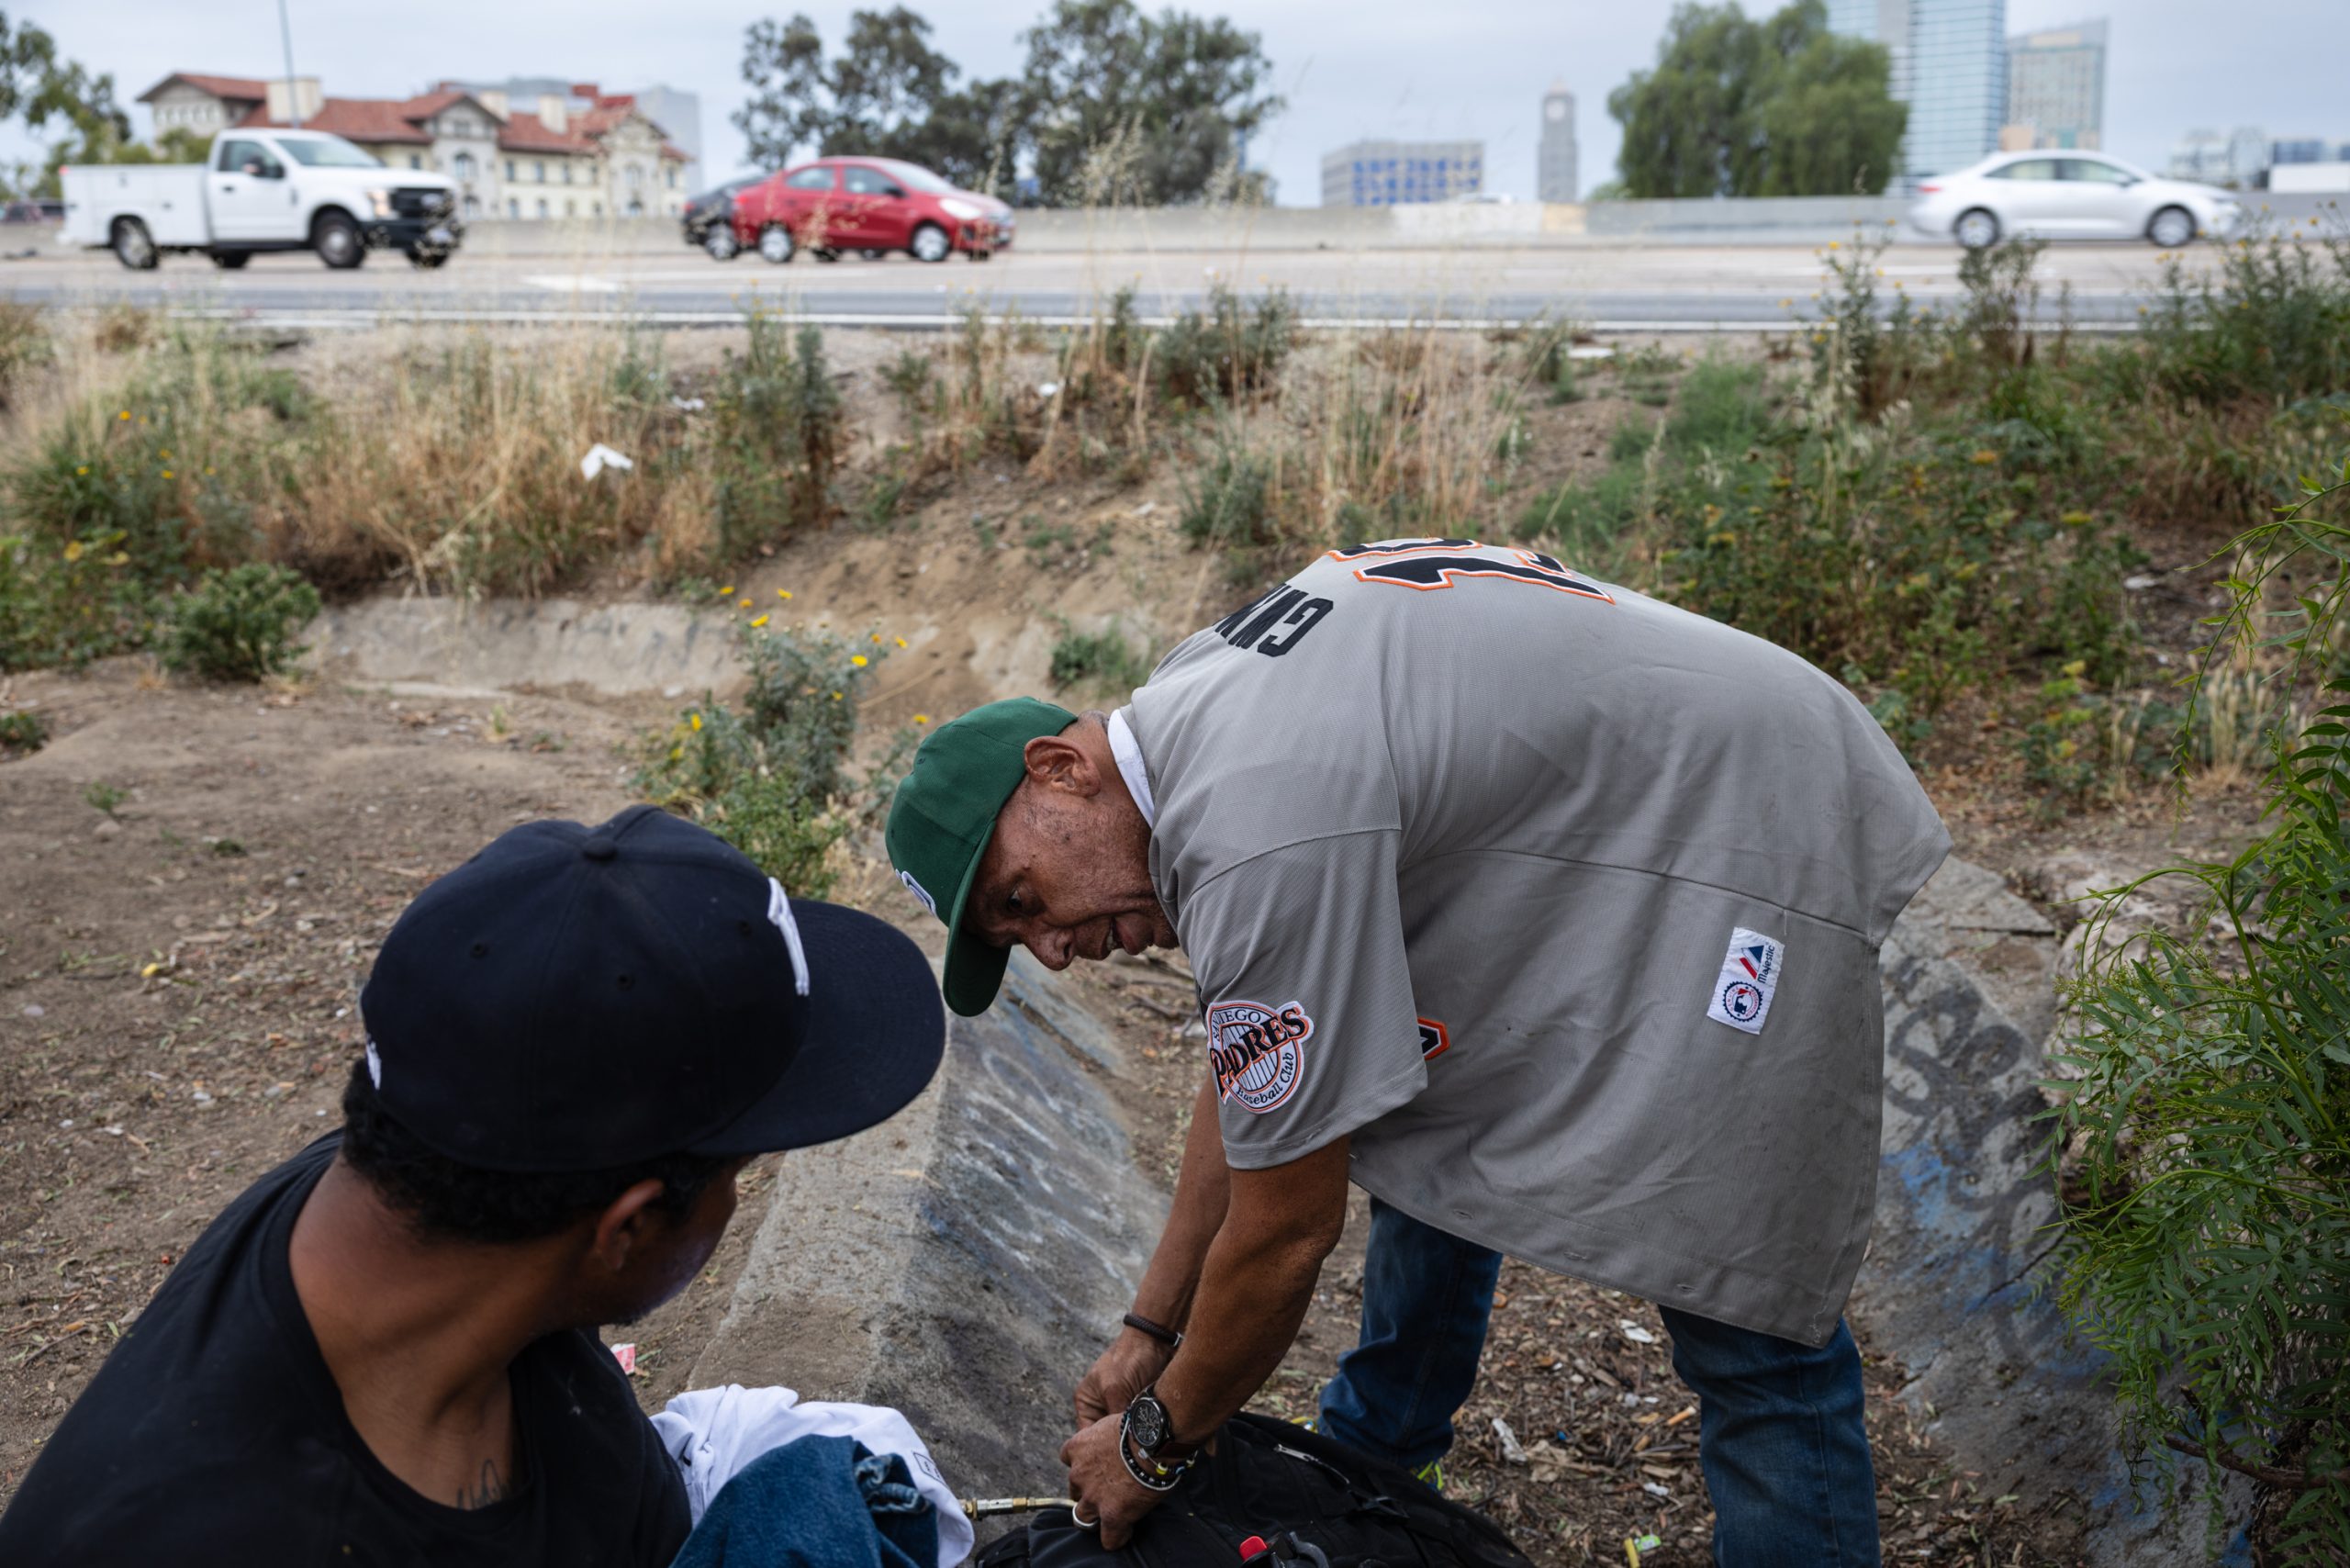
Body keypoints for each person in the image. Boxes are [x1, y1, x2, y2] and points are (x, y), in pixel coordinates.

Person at [883, 538, 1949, 1565]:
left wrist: (1155, 1446)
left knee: (1742, 1300)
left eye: (1023, 901)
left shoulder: (1251, 827)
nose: (1056, 951)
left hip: (1755, 814)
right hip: (1632, 803)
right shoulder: (1185, 719)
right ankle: (1373, 1467)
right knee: (1401, 1086)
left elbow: (1285, 1231)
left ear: (1060, 768)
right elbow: (1256, 1077)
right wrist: (1148, 1330)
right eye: (1018, 943)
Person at [0, 805, 946, 1567]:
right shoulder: (200, 1529)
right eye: (738, 1175)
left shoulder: (445, 1194)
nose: (735, 1205)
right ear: (626, 1227)